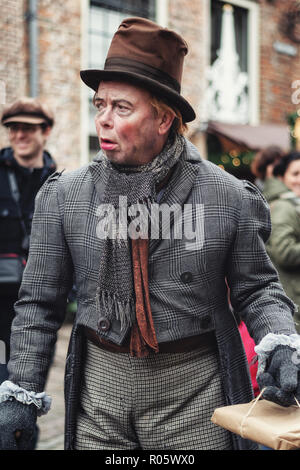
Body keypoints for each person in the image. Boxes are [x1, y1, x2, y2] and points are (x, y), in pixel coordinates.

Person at [0, 17, 299, 451]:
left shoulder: (228, 196)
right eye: (99, 105)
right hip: (97, 397)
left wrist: (280, 341)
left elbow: (258, 288)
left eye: (121, 108)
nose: (103, 120)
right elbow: (38, 304)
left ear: (163, 119)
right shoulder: (64, 196)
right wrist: (20, 394)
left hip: (195, 398)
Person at [0, 97, 56, 387]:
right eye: (13, 128)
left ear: (45, 131)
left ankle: (25, 433)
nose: (19, 135)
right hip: (0, 308)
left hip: (38, 310)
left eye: (28, 128)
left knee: (29, 390)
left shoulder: (60, 185)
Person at [263, 151, 300, 333]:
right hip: (292, 298)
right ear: (281, 177)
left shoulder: (293, 203)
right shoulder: (285, 206)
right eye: (295, 174)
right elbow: (283, 251)